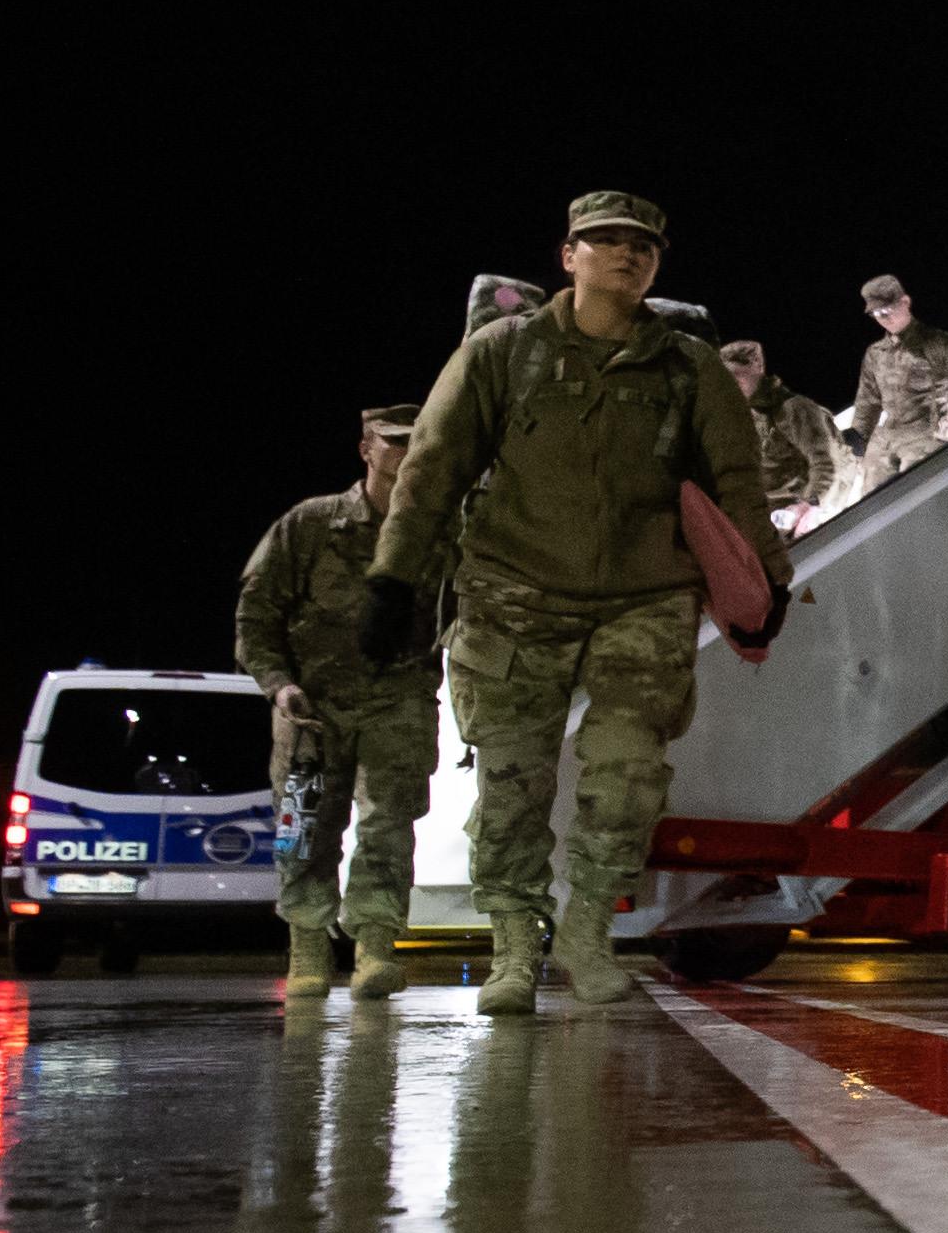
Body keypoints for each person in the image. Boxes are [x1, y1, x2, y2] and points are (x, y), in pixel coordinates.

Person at [367, 193, 796, 1016]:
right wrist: (395, 579)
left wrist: (765, 583)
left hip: (643, 598)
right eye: (607, 242)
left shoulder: (688, 367)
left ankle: (587, 931)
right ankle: (515, 946)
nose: (628, 256)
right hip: (514, 595)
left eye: (644, 246)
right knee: (511, 783)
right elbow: (432, 466)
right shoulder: (502, 352)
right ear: (569, 255)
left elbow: (737, 482)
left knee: (631, 776)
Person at [234, 404, 439, 1002]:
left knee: (388, 826)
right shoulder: (311, 524)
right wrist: (279, 684)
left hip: (398, 702)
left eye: (416, 443)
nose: (404, 455)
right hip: (312, 709)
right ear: (366, 449)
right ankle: (307, 946)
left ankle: (375, 948)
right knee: (303, 829)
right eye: (393, 443)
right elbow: (257, 613)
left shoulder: (437, 531)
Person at [847, 274, 948, 489]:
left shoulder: (936, 342)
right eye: (876, 313)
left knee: (919, 492)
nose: (883, 317)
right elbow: (867, 405)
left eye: (886, 309)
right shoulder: (875, 354)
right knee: (873, 502)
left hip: (926, 432)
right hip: (888, 438)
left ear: (905, 302)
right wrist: (857, 448)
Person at [721, 339, 840, 520]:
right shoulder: (743, 417)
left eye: (736, 375)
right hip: (771, 509)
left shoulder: (792, 408)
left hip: (804, 505)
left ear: (757, 366)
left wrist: (809, 505)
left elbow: (825, 464)